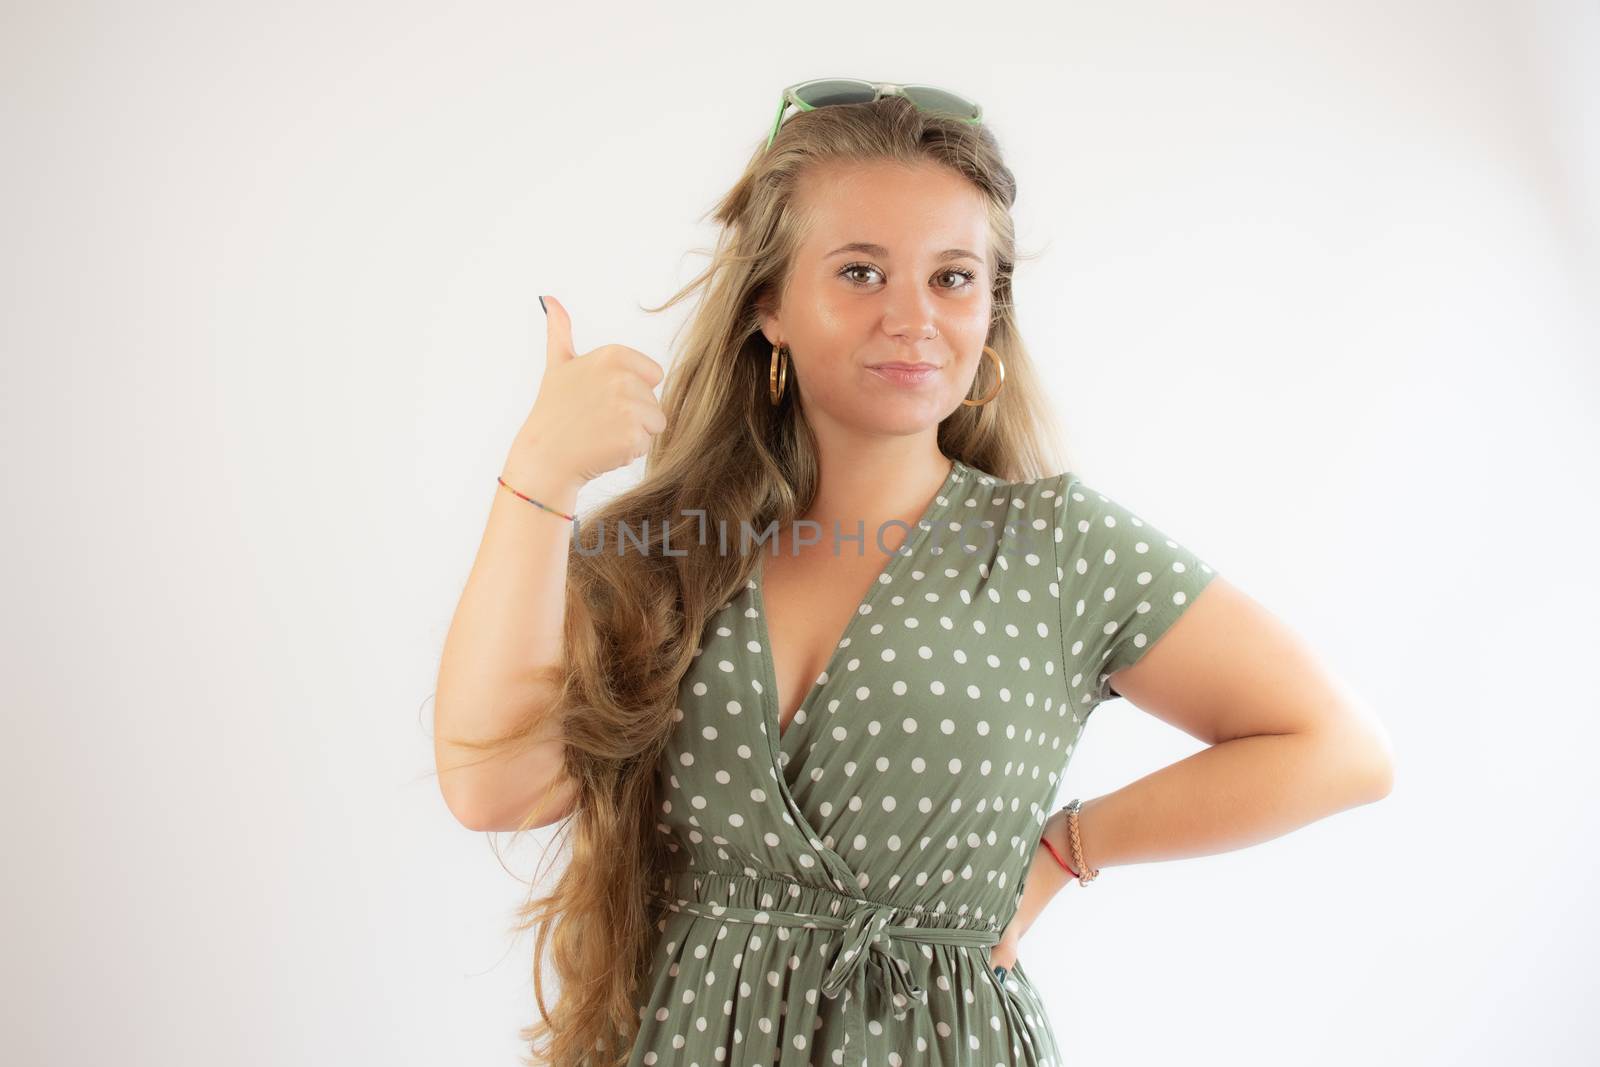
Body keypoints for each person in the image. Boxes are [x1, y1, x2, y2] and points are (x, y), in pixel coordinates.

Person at [432, 85, 1395, 1067]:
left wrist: (1071, 847)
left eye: (952, 278)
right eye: (859, 271)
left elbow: (1337, 745)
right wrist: (541, 473)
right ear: (768, 303)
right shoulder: (663, 550)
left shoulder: (1055, 551)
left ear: (990, 310)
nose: (912, 318)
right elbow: (494, 785)